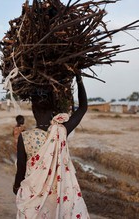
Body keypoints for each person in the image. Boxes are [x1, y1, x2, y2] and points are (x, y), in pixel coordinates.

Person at [13, 74, 89, 218]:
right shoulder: (61, 131)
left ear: (33, 111)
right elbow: (83, 107)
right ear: (53, 111)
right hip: (57, 198)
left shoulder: (25, 137)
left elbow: (21, 170)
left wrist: (16, 187)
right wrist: (78, 78)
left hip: (33, 200)